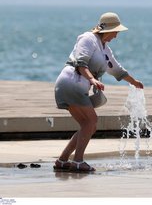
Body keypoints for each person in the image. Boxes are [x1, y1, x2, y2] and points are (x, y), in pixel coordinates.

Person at [54, 12, 143, 173]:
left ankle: (62, 160)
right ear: (108, 30)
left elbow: (116, 69)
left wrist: (134, 82)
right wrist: (93, 80)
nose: (116, 36)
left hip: (75, 86)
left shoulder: (104, 49)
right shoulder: (87, 39)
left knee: (87, 125)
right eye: (116, 32)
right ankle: (78, 161)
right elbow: (81, 63)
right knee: (91, 122)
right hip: (70, 82)